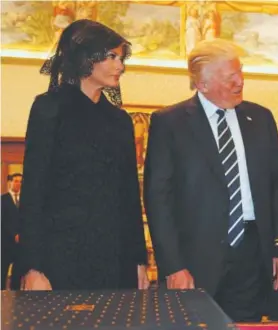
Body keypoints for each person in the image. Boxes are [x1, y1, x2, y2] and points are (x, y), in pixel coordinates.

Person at [144, 39, 278, 322]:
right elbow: (158, 199)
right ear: (202, 84)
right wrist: (173, 266)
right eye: (230, 78)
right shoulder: (170, 123)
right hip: (194, 260)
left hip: (252, 255)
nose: (240, 82)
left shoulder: (260, 118)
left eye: (240, 72)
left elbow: (277, 188)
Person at [15, 19, 149, 291]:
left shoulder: (120, 120)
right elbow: (33, 192)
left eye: (121, 58)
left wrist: (138, 261)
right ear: (85, 58)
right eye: (111, 57)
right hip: (58, 259)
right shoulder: (49, 109)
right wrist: (33, 266)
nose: (120, 66)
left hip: (115, 260)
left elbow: (129, 197)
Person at [1, 173, 22, 290]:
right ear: (10, 182)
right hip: (5, 242)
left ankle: (16, 293)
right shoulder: (2, 199)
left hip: (20, 243)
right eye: (15, 181)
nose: (18, 183)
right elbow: (2, 221)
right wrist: (13, 234)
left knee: (18, 271)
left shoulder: (24, 200)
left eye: (20, 181)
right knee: (3, 270)